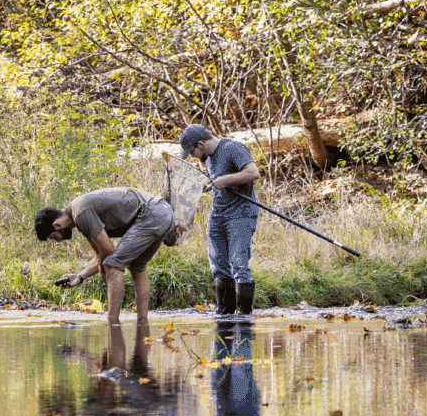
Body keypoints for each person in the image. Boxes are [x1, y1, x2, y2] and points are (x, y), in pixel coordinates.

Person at [34, 186, 178, 339]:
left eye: (54, 237)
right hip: (164, 213)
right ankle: (142, 322)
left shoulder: (80, 212)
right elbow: (100, 255)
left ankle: (112, 323)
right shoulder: (80, 213)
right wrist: (80, 277)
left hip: (152, 215)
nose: (57, 241)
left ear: (57, 225)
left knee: (112, 264)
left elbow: (108, 253)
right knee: (137, 266)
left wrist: (105, 272)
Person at [179, 123, 259, 317]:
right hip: (218, 215)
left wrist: (225, 180)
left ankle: (244, 318)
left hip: (241, 213)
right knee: (219, 266)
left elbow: (253, 173)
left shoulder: (233, 148)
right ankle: (225, 315)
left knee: (239, 263)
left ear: (201, 144)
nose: (193, 156)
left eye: (192, 152)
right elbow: (214, 179)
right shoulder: (207, 159)